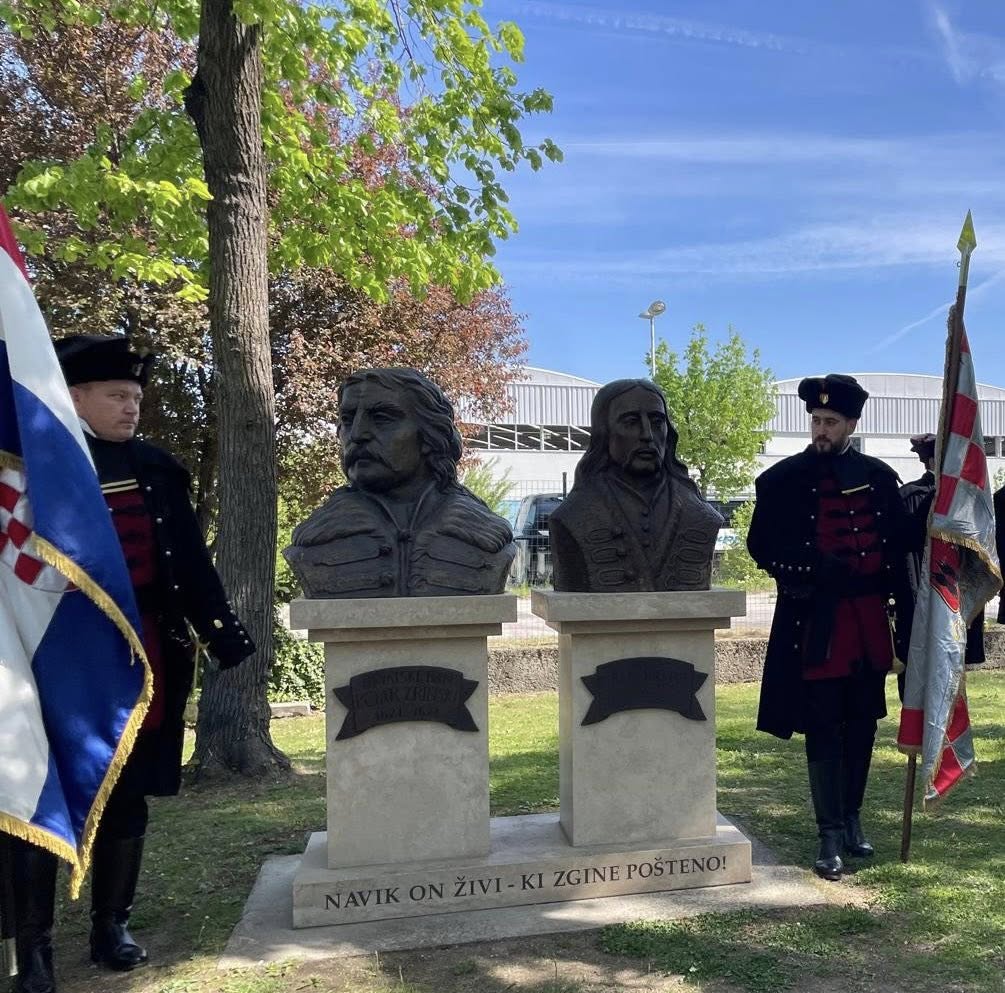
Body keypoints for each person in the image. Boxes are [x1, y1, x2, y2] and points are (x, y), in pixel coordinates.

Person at [7, 334, 254, 993]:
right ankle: (33, 954)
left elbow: (188, 564)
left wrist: (224, 633)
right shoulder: (30, 470)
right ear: (75, 396)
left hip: (139, 656)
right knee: (36, 799)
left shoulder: (155, 467)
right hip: (47, 660)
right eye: (117, 395)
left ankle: (110, 927)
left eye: (137, 396)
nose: (131, 406)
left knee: (125, 794)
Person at [747, 373, 914, 881]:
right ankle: (828, 834)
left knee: (863, 723)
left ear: (851, 424)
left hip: (868, 621)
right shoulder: (782, 481)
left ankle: (854, 818)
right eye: (816, 421)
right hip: (817, 622)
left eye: (831, 422)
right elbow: (763, 548)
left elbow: (902, 540)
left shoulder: (881, 477)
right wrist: (812, 565)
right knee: (822, 725)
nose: (821, 430)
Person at [285, 367, 515, 597]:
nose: (356, 434)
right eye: (347, 419)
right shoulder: (316, 542)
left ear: (429, 434)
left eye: (382, 418)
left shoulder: (484, 537)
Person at [548, 378, 722, 592]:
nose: (647, 435)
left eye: (657, 422)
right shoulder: (573, 515)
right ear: (605, 432)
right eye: (630, 422)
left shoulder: (699, 514)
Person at [900, 433, 984, 673]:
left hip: (956, 602)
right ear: (931, 461)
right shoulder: (910, 498)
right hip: (923, 602)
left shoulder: (966, 499)